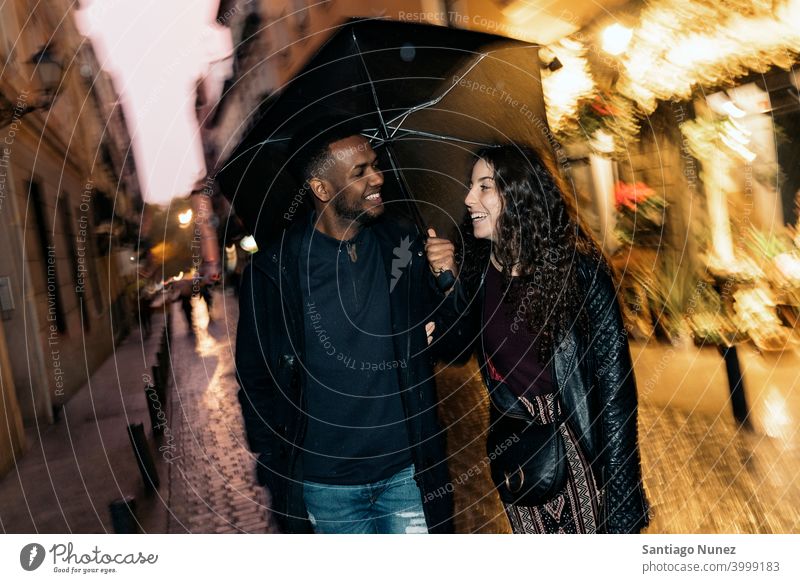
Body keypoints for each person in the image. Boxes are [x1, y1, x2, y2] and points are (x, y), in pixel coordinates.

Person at [235, 120, 461, 534]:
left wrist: (445, 282)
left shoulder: (402, 242)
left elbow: (449, 342)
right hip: (327, 488)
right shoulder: (273, 273)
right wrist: (275, 467)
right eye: (360, 172)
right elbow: (255, 379)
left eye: (375, 165)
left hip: (407, 474)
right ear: (322, 189)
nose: (378, 177)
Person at [456, 144, 650, 534]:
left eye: (484, 187)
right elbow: (455, 348)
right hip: (521, 446)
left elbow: (615, 391)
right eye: (470, 186)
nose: (468, 198)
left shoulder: (577, 273)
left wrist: (622, 491)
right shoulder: (476, 271)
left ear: (520, 195)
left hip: (578, 435)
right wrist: (445, 280)